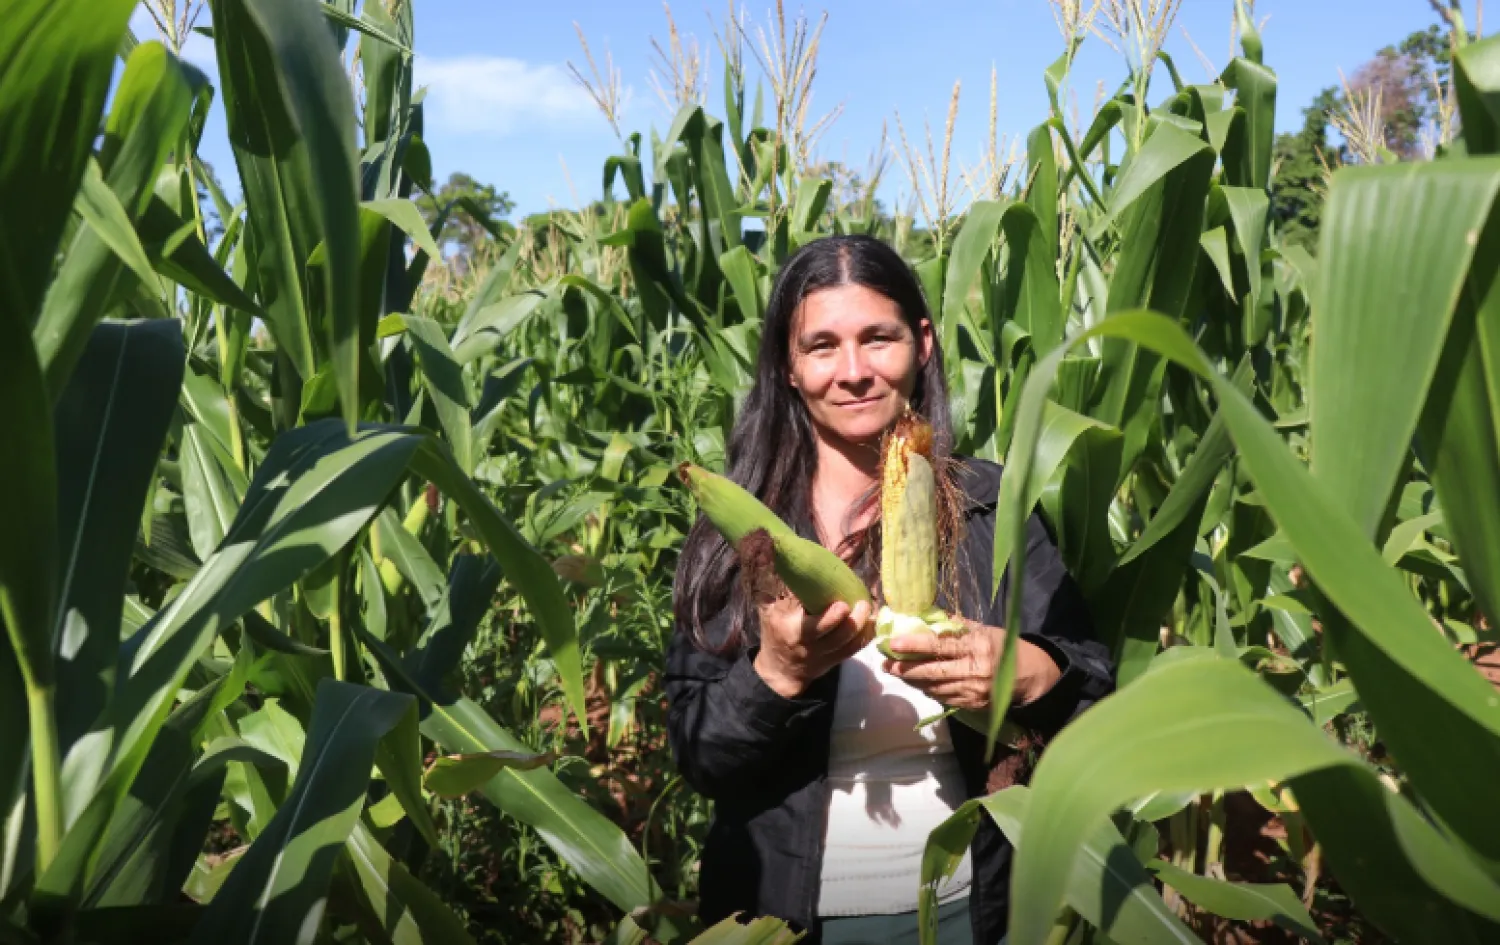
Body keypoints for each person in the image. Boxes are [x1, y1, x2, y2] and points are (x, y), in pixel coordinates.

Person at [666, 234, 1114, 945]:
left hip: (972, 909)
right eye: (821, 346)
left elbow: (1093, 681)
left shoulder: (989, 508)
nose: (853, 371)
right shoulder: (741, 533)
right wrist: (777, 674)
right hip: (784, 922)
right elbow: (699, 755)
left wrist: (1025, 670)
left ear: (923, 343)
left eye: (879, 337)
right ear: (787, 363)